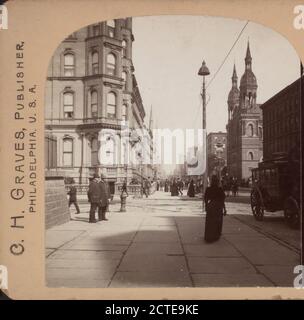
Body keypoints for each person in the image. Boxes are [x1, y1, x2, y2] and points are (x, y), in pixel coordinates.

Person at [204, 175, 226, 243]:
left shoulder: (208, 189)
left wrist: (206, 206)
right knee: (218, 222)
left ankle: (208, 236)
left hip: (211, 206)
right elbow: (222, 200)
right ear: (217, 182)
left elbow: (206, 198)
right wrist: (224, 209)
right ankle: (216, 236)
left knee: (209, 222)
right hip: (218, 207)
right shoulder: (220, 189)